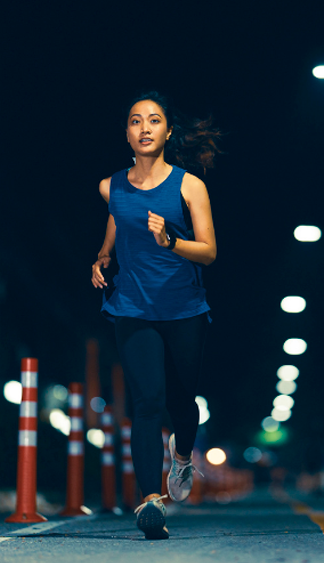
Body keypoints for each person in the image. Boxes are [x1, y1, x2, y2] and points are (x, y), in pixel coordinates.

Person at [91, 91, 221, 539]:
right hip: (132, 306)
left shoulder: (188, 186)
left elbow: (208, 252)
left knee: (182, 404)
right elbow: (117, 220)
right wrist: (104, 256)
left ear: (167, 132)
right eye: (135, 120)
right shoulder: (112, 186)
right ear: (127, 133)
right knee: (146, 403)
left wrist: (171, 243)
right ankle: (150, 501)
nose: (144, 127)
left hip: (184, 308)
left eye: (154, 120)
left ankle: (181, 456)